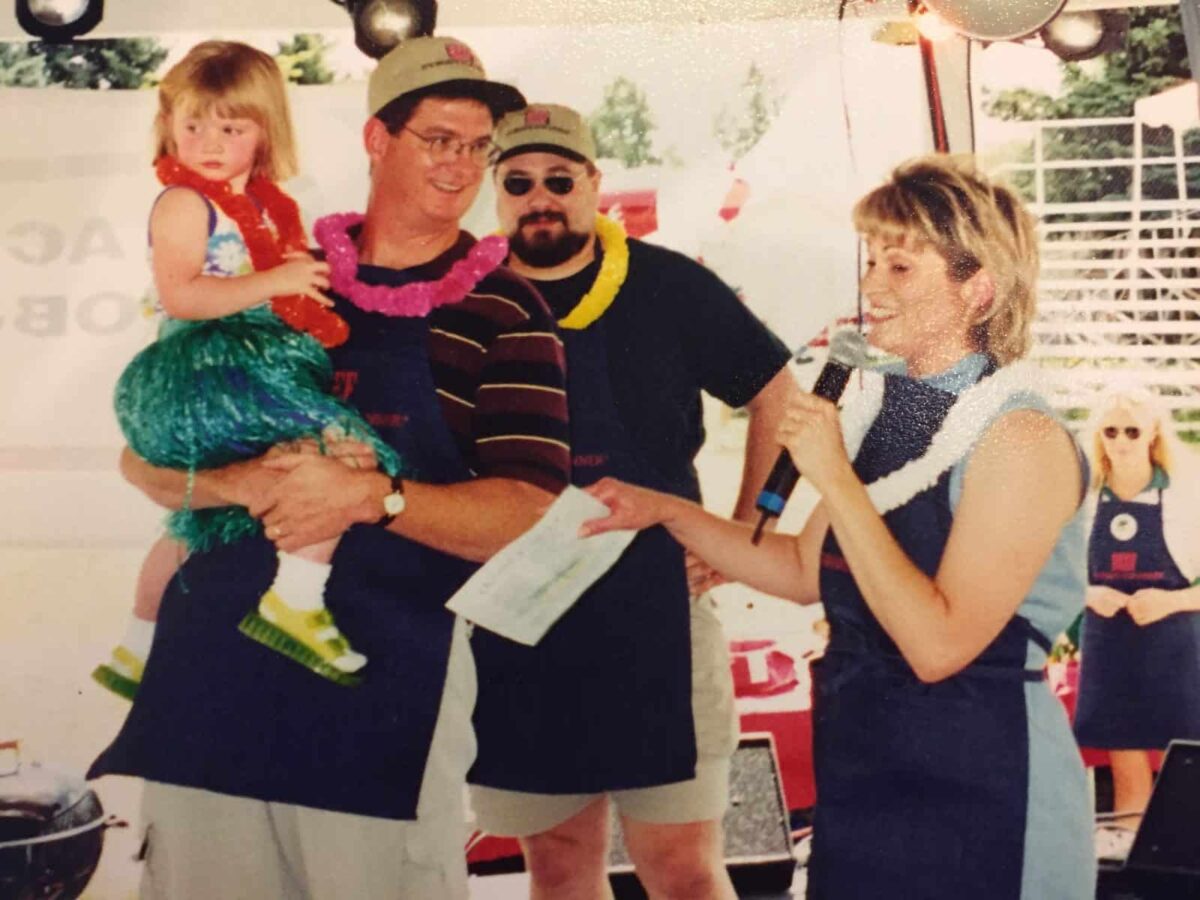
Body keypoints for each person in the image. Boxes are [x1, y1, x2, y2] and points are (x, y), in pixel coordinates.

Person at [89, 36, 570, 899]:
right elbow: (145, 458)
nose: (461, 164)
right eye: (437, 138)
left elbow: (530, 515)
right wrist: (237, 485)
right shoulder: (275, 272)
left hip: (379, 706)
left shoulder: (510, 307)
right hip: (210, 691)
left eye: (477, 144)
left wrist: (372, 497)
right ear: (376, 141)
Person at [581, 155, 1096, 899]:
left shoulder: (1019, 437)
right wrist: (665, 510)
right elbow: (801, 571)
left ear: (977, 289)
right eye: (872, 261)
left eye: (900, 267)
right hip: (865, 768)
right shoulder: (889, 410)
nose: (871, 286)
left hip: (983, 778)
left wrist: (833, 475)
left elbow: (939, 645)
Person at [469, 103, 795, 900]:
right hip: (518, 624)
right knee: (558, 869)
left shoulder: (669, 285)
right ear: (496, 193)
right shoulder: (466, 300)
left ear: (592, 183)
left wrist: (746, 530)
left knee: (683, 870)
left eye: (558, 178)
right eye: (518, 182)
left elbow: (777, 393)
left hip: (658, 614)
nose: (539, 196)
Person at [92, 40, 401, 699]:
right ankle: (295, 596)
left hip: (246, 359)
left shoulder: (266, 202)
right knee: (340, 447)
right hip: (210, 364)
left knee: (197, 522)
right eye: (192, 123)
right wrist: (274, 281)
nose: (208, 140)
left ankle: (135, 647)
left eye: (230, 127)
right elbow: (183, 296)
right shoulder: (184, 202)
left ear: (264, 134)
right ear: (168, 123)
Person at [1073, 390, 1200, 859]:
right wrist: (1088, 594)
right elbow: (1045, 572)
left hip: (1174, 641)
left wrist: (1172, 602)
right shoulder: (1080, 498)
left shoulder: (1188, 496)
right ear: (1098, 438)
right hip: (1109, 642)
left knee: (1182, 758)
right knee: (1123, 754)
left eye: (1132, 430)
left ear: (1153, 436)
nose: (1122, 441)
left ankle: (1180, 863)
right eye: (1111, 431)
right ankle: (1131, 865)